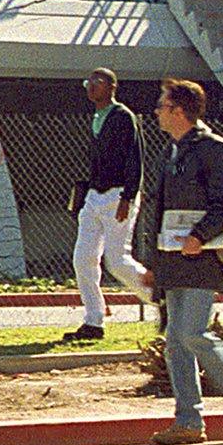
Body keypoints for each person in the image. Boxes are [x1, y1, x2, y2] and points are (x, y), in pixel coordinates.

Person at [139, 78, 223, 445]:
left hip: (201, 259)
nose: (157, 112)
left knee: (191, 332)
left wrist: (199, 236)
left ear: (179, 111)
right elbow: (159, 212)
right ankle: (189, 422)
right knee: (175, 343)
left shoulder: (212, 149)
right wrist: (154, 264)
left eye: (162, 106)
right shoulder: (172, 151)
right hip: (173, 259)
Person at [62, 68, 150, 343]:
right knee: (83, 258)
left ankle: (162, 298)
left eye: (97, 82)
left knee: (117, 261)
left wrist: (128, 196)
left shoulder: (123, 117)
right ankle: (93, 320)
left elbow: (135, 158)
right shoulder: (96, 117)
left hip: (117, 195)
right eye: (88, 82)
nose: (90, 87)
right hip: (94, 196)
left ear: (112, 86)